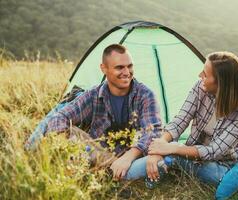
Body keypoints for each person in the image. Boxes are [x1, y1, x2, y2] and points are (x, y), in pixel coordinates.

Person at [25, 44, 162, 180]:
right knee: (68, 131)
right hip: (98, 156)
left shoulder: (145, 95)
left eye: (130, 66)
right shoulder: (93, 95)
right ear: (104, 68)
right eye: (119, 67)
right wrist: (64, 138)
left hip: (133, 158)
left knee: (160, 156)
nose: (127, 72)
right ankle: (110, 171)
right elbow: (59, 118)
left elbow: (153, 132)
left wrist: (127, 158)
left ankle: (113, 174)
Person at [125, 51, 238, 186]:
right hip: (189, 153)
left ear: (220, 83)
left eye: (205, 74)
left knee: (178, 157)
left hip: (219, 165)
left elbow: (213, 151)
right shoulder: (200, 87)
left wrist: (173, 149)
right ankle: (147, 166)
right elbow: (180, 121)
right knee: (163, 140)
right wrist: (160, 146)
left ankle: (154, 168)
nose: (200, 76)